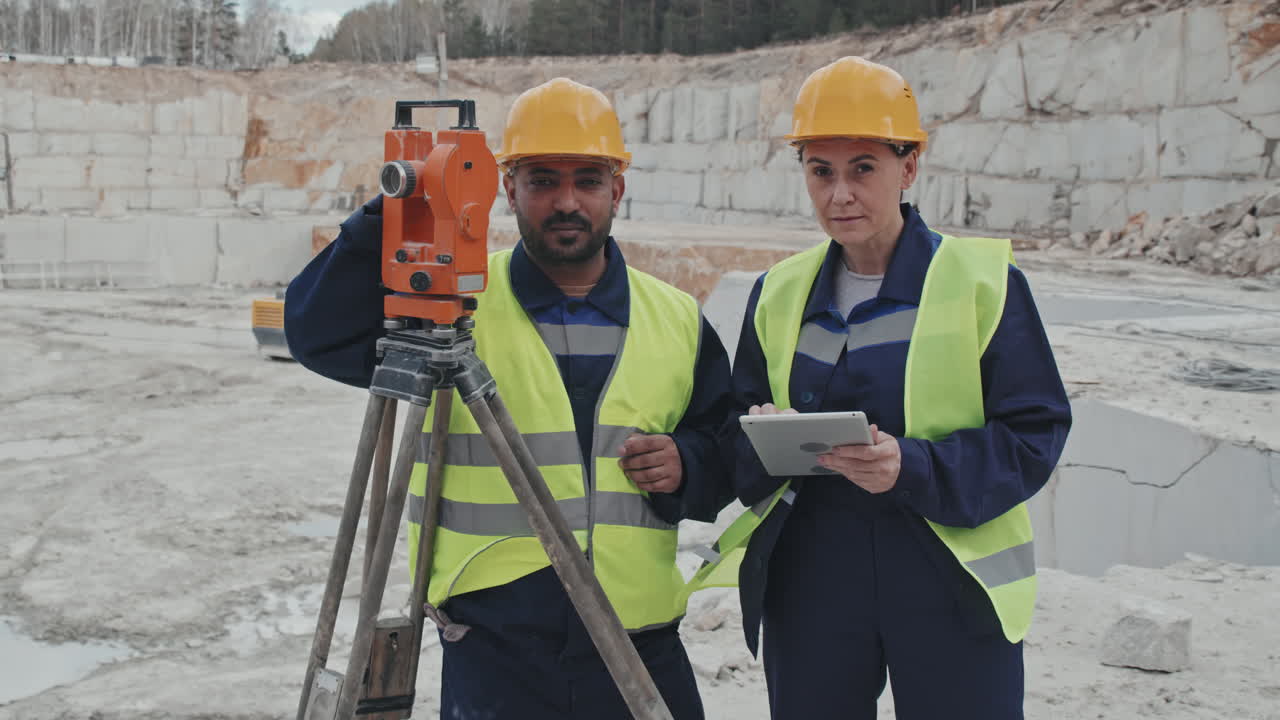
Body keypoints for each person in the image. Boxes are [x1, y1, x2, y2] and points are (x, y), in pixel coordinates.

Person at [284, 77, 733, 720]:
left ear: (618, 188)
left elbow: (726, 448)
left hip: (642, 647)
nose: (566, 201)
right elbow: (313, 331)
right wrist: (401, 206)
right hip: (497, 655)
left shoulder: (679, 319)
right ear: (506, 187)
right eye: (543, 180)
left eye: (588, 180)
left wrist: (688, 464)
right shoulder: (450, 306)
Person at [694, 56, 1072, 719]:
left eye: (863, 168)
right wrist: (765, 434)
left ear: (910, 167)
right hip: (812, 571)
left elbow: (1033, 432)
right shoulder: (779, 292)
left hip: (945, 569)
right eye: (821, 171)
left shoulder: (982, 283)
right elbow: (734, 432)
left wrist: (912, 464)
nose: (840, 193)